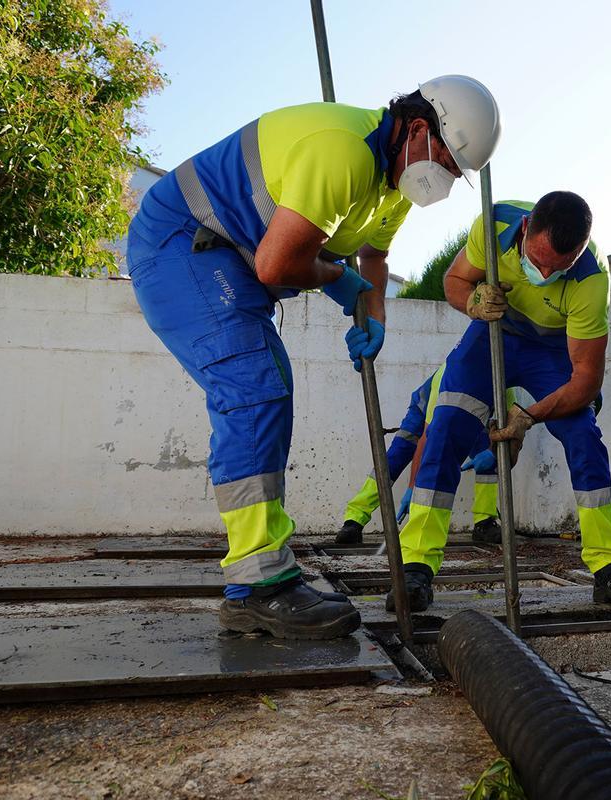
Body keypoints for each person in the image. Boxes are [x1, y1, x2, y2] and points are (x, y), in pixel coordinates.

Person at [125, 76, 501, 638]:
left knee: (263, 384)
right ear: (419, 128)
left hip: (230, 256)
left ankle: (259, 577)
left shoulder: (393, 185)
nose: (446, 177)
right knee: (254, 389)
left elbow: (375, 257)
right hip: (185, 242)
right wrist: (341, 281)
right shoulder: (343, 151)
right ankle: (259, 584)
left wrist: (373, 313)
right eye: (447, 159)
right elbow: (279, 266)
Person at [388, 192, 611, 613]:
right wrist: (474, 302)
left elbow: (586, 379)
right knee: (446, 429)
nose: (545, 272)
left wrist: (528, 416)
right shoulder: (494, 224)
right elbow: (455, 283)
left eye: (558, 267)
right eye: (538, 259)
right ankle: (415, 567)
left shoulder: (591, 278)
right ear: (528, 226)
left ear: (581, 252)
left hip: (551, 350)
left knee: (583, 434)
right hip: (491, 333)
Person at [334, 365, 507, 545]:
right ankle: (354, 520)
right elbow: (425, 439)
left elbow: (512, 429)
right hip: (428, 409)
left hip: (474, 417)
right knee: (397, 455)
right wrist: (411, 487)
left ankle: (484, 523)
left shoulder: (506, 384)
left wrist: (491, 452)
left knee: (492, 456)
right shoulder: (450, 378)